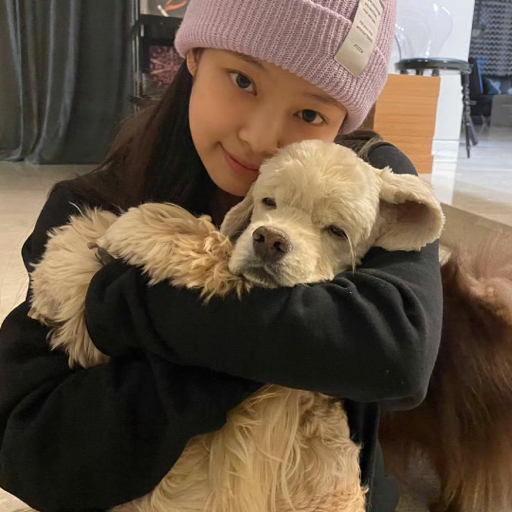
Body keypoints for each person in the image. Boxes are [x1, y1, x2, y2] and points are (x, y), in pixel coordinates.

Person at [0, 0, 443, 511]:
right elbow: (27, 446)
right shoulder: (94, 206)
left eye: (310, 114)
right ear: (194, 56)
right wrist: (280, 349)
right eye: (242, 80)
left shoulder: (369, 182)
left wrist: (129, 301)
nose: (260, 139)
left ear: (342, 123)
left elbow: (398, 352)